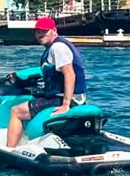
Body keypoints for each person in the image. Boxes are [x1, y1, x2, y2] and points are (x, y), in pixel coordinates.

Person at [6, 16, 86, 148]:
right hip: (71, 97)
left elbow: (70, 74)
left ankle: (9, 150)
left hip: (67, 99)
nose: (40, 34)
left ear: (54, 31)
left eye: (44, 31)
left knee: (16, 111)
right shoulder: (58, 45)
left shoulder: (57, 47)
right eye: (37, 31)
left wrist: (65, 105)